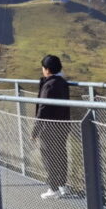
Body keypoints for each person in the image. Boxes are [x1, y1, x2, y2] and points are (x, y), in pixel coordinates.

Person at [33, 54, 71, 199]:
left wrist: (35, 130)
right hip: (62, 126)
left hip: (48, 128)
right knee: (60, 154)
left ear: (47, 69)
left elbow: (43, 109)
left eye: (43, 68)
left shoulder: (49, 85)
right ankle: (62, 186)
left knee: (48, 157)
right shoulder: (62, 82)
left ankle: (53, 188)